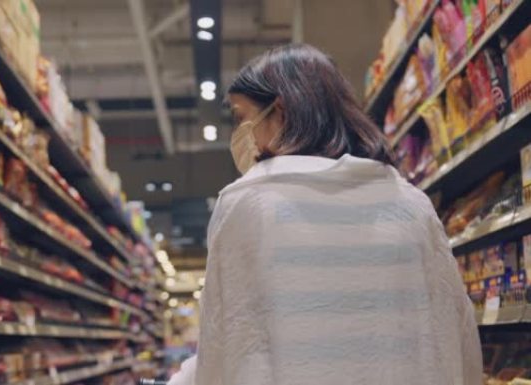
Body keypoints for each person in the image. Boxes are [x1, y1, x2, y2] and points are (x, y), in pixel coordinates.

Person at [169, 44, 482, 385]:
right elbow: (457, 335)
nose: (243, 133)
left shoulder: (246, 206)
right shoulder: (411, 205)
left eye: (243, 117)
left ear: (281, 111)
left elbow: (226, 344)